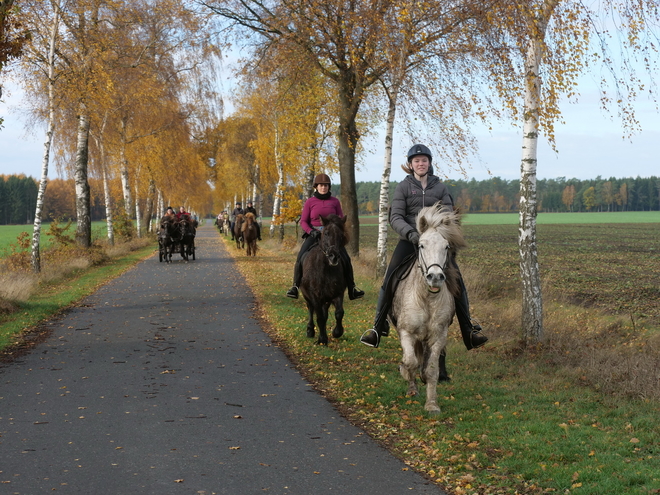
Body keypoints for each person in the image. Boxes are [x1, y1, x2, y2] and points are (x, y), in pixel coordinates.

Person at [360, 144, 488, 349]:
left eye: (424, 160)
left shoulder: (440, 188)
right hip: (409, 240)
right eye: (417, 161)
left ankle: (469, 329)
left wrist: (438, 234)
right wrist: (410, 233)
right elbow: (395, 217)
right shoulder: (403, 187)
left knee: (457, 279)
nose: (421, 164)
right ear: (410, 165)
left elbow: (448, 215)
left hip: (434, 243)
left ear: (429, 163)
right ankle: (377, 327)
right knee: (390, 276)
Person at [286, 173, 365, 301]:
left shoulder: (334, 201)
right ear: (316, 187)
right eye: (321, 185)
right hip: (315, 233)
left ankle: (352, 288)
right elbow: (303, 221)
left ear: (329, 187)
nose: (324, 187)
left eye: (326, 185)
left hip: (331, 236)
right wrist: (311, 231)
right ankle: (295, 286)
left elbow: (340, 219)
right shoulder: (310, 202)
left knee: (346, 258)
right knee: (301, 257)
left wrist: (337, 231)